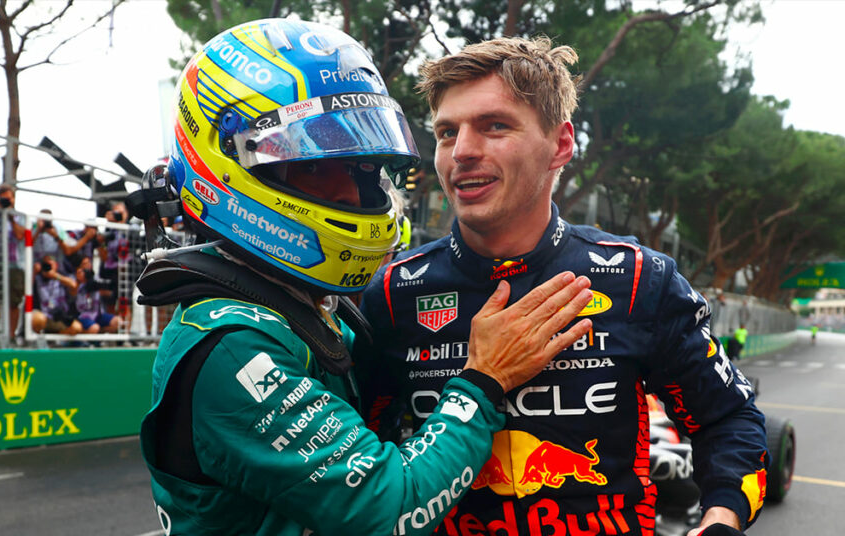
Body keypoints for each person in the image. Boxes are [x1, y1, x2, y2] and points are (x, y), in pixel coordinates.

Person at [127, 19, 593, 536]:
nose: (352, 193)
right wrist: (483, 381)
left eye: (361, 165)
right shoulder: (230, 346)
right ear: (232, 164)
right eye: (314, 163)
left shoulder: (305, 304)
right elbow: (387, 510)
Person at [354, 36, 768, 536]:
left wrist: (722, 518)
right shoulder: (393, 292)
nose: (462, 151)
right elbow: (358, 459)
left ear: (561, 145)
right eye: (446, 133)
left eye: (494, 126)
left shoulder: (638, 280)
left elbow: (730, 420)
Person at [0, 185, 27, 346]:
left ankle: (11, 336)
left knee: (13, 302)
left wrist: (10, 217)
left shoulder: (20, 216)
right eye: (3, 198)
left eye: (8, 198)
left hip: (15, 265)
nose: (6, 201)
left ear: (13, 199)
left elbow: (20, 235)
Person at [31, 255, 82, 335]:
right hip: (43, 314)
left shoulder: (61, 276)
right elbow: (26, 287)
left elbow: (73, 285)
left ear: (56, 265)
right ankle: (38, 339)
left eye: (50, 265)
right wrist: (34, 271)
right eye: (46, 265)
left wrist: (54, 275)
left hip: (59, 316)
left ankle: (53, 340)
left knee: (77, 328)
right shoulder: (37, 277)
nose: (48, 267)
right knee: (39, 319)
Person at [71, 256, 121, 335]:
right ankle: (85, 335)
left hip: (97, 314)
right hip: (83, 315)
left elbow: (109, 290)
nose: (87, 266)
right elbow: (72, 293)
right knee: (94, 328)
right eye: (84, 264)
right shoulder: (74, 280)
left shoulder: (95, 278)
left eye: (88, 263)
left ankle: (99, 332)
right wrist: (79, 281)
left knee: (119, 322)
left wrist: (100, 289)